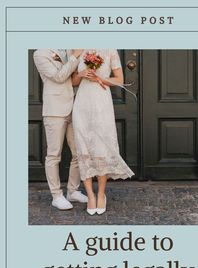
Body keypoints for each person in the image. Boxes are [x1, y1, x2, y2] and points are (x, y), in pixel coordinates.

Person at [72, 49, 134, 215]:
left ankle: (101, 194)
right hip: (82, 104)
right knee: (83, 149)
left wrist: (99, 78)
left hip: (101, 102)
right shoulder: (77, 49)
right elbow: (73, 81)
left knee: (101, 149)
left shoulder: (110, 50)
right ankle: (90, 195)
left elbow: (119, 79)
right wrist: (82, 74)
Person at [33, 49, 88, 210]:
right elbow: (59, 77)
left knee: (78, 152)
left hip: (75, 107)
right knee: (54, 155)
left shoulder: (70, 48)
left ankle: (73, 191)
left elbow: (73, 78)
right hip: (54, 110)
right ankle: (56, 196)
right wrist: (75, 56)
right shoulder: (40, 53)